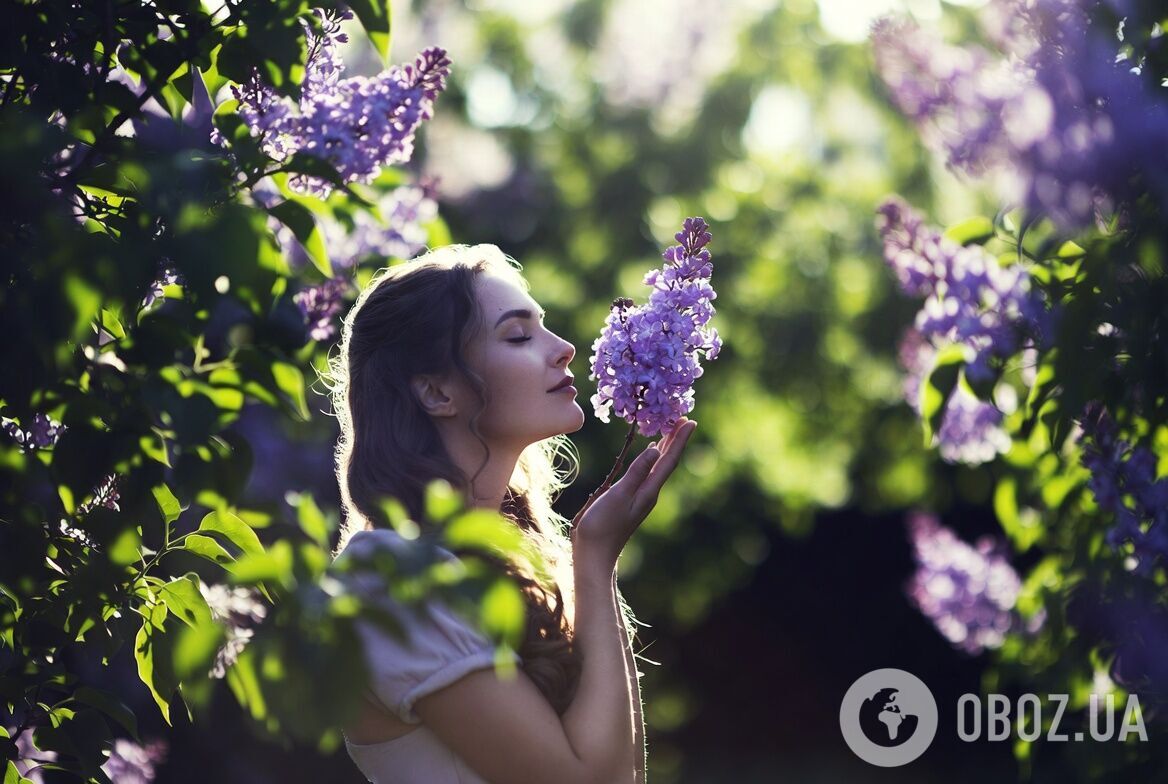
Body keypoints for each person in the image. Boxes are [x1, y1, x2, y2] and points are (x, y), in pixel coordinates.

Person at [324, 243, 697, 784]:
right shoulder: (386, 580)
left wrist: (591, 562)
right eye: (518, 336)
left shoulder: (514, 565)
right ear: (436, 392)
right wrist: (593, 560)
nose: (566, 348)